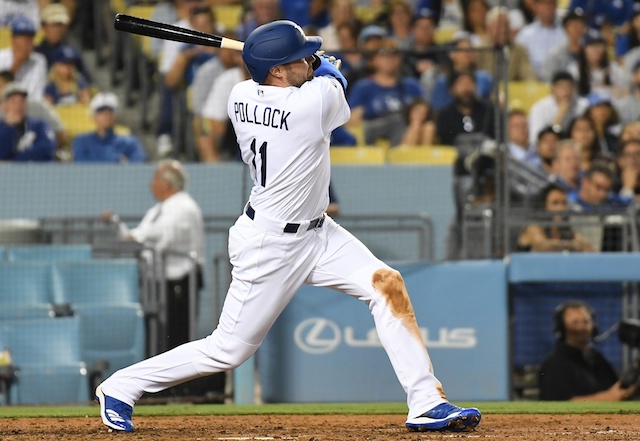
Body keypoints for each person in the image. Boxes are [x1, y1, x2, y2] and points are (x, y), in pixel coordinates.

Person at [95, 20, 482, 434]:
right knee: (226, 351)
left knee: (386, 283)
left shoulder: (241, 92)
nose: (307, 60)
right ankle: (121, 386)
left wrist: (308, 62)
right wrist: (327, 67)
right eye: (296, 57)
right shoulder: (310, 105)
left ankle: (426, 401)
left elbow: (307, 79)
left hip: (320, 233)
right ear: (277, 71)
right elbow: (332, 85)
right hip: (270, 244)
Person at [101, 159, 205, 351]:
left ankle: (180, 381)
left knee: (178, 336)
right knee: (159, 336)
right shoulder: (157, 210)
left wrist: (139, 239)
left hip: (181, 280)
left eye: (155, 178)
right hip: (159, 282)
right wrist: (116, 224)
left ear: (167, 183)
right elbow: (138, 235)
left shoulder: (184, 207)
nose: (151, 183)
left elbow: (162, 237)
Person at [538, 300, 638, 401]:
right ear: (562, 328)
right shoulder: (554, 364)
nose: (582, 327)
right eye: (575, 322)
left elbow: (618, 391)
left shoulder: (596, 359)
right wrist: (609, 398)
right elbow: (559, 404)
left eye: (586, 322)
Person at [348, 38, 425, 147]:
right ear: (373, 60)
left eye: (394, 55)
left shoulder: (411, 85)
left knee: (426, 127)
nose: (390, 59)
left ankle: (408, 157)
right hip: (373, 130)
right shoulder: (363, 87)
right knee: (396, 120)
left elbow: (424, 112)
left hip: (406, 131)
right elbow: (351, 119)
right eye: (384, 54)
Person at [72, 92, 146, 163]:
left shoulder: (130, 143)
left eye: (110, 111)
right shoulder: (81, 142)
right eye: (101, 111)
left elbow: (138, 166)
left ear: (116, 116)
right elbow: (82, 168)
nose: (106, 114)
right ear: (93, 117)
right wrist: (118, 161)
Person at [517, 183, 593, 252]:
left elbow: (586, 246)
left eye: (564, 203)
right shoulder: (533, 225)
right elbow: (542, 245)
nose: (561, 208)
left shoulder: (565, 230)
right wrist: (572, 245)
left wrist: (582, 245)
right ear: (544, 206)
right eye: (555, 203)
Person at [527, 71, 589, 146]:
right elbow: (535, 139)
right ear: (553, 89)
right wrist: (559, 116)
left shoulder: (582, 106)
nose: (566, 92)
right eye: (562, 88)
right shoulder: (539, 108)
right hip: (551, 147)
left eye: (569, 88)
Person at [435, 70, 495, 146]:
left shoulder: (488, 110)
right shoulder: (444, 115)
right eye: (462, 84)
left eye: (469, 83)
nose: (466, 89)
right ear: (451, 89)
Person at [0, 81, 56, 161]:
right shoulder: (1, 129)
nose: (19, 105)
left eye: (22, 101)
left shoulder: (39, 125)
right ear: (4, 105)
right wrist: (8, 127)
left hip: (37, 171)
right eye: (14, 101)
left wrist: (14, 162)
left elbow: (47, 149)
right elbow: (2, 153)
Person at [514, 0, 567, 79]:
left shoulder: (565, 33)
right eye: (543, 3)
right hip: (532, 82)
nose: (547, 7)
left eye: (550, 3)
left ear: (556, 6)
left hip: (560, 80)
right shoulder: (524, 35)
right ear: (535, 7)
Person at [0, 15, 47, 100]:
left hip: (30, 109)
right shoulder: (1, 57)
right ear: (13, 39)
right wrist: (16, 64)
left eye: (29, 37)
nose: (26, 42)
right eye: (22, 37)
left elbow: (37, 96)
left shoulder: (39, 61)